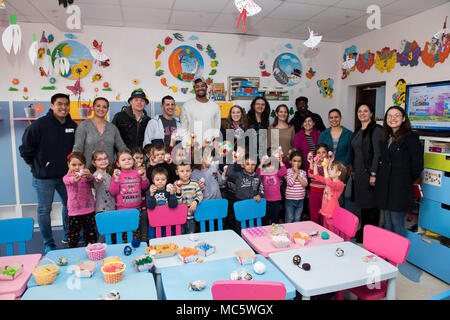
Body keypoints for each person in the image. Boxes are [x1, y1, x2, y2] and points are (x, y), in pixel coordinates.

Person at [19, 93, 77, 252]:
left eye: (66, 104)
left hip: (66, 177)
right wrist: (34, 166)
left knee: (70, 206)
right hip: (44, 178)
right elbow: (25, 149)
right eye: (59, 104)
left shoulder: (72, 126)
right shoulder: (40, 125)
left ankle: (68, 236)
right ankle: (49, 243)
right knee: (45, 210)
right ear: (52, 106)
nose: (63, 107)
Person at [375, 106, 423, 237]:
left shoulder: (411, 138)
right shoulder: (385, 138)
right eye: (389, 116)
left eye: (396, 115)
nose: (392, 118)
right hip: (385, 187)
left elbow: (417, 166)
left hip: (399, 188)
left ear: (403, 119)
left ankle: (398, 255)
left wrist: (405, 180)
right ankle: (388, 253)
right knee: (388, 221)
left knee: (397, 222)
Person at [350, 102, 382, 243]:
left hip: (369, 173)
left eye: (365, 111)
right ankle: (363, 230)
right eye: (359, 111)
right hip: (359, 173)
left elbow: (377, 153)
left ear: (371, 113)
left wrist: (374, 173)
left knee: (371, 206)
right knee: (363, 204)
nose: (362, 113)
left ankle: (372, 236)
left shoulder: (376, 130)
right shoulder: (358, 130)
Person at [73, 97, 128, 168]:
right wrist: (74, 166)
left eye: (104, 107)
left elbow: (121, 147)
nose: (101, 109)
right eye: (98, 106)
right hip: (88, 171)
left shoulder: (112, 128)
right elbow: (78, 149)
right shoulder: (83, 126)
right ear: (93, 108)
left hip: (109, 171)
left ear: (107, 109)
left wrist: (133, 157)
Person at [110, 150, 150, 242]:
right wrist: (115, 180)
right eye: (123, 160)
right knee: (124, 233)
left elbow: (145, 187)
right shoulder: (117, 175)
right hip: (122, 209)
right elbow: (113, 192)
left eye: (129, 159)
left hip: (137, 209)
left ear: (133, 161)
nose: (127, 161)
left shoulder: (138, 172)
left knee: (136, 233)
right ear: (118, 164)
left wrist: (144, 177)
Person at [319, 108, 353, 206]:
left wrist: (346, 167)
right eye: (331, 117)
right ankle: (329, 217)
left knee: (339, 196)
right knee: (329, 194)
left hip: (342, 170)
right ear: (328, 119)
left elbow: (350, 151)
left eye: (336, 117)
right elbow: (320, 151)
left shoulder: (348, 133)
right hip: (327, 169)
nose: (334, 119)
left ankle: (340, 218)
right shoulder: (324, 134)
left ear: (340, 118)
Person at [63, 153, 97, 248]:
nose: (77, 167)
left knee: (90, 235)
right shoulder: (66, 178)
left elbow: (92, 179)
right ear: (68, 165)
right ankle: (72, 251)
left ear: (84, 165)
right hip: (74, 212)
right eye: (74, 165)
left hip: (89, 210)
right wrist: (75, 178)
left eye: (80, 164)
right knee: (73, 236)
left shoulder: (86, 176)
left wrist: (89, 174)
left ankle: (93, 251)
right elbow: (71, 181)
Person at [224, 153, 264, 233]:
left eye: (253, 164)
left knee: (253, 226)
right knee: (240, 227)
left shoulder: (257, 177)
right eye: (248, 164)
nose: (250, 166)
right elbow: (228, 173)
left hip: (253, 205)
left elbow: (261, 189)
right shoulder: (238, 175)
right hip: (240, 204)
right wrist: (234, 161)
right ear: (242, 165)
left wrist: (259, 195)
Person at [179, 77, 221, 145]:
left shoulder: (215, 106)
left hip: (209, 145)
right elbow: (184, 128)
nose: (200, 88)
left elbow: (217, 129)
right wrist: (187, 144)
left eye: (202, 86)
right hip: (193, 146)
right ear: (194, 88)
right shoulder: (186, 106)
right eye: (197, 86)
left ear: (206, 87)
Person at [313, 159, 348, 231]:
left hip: (332, 213)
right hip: (325, 210)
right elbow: (316, 176)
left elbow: (329, 183)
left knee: (332, 232)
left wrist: (325, 169)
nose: (329, 170)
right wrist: (315, 165)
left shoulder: (340, 184)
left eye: (331, 169)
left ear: (338, 173)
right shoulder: (330, 181)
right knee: (325, 230)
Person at [256, 154, 286, 225]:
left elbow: (284, 172)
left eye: (271, 165)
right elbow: (257, 174)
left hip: (276, 200)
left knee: (275, 219)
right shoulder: (263, 173)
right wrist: (261, 163)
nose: (269, 167)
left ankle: (274, 231)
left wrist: (280, 161)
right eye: (267, 165)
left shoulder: (276, 172)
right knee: (266, 219)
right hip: (266, 200)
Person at [307, 143, 332, 225]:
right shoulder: (314, 164)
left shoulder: (329, 165)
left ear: (327, 153)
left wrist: (329, 163)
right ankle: (315, 229)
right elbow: (311, 175)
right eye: (319, 152)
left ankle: (324, 230)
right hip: (314, 193)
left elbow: (329, 178)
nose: (321, 155)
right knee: (314, 214)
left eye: (323, 152)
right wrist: (311, 163)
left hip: (325, 193)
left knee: (324, 214)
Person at [175, 162, 203, 234]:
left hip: (192, 217)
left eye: (187, 171)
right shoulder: (176, 185)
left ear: (191, 171)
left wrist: (195, 202)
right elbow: (178, 203)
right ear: (177, 172)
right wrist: (178, 191)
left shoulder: (195, 183)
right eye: (182, 171)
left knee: (191, 235)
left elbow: (200, 195)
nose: (185, 173)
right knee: (181, 236)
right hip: (179, 218)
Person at [285, 149, 308, 223]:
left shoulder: (303, 172)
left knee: (297, 218)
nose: (296, 163)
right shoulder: (288, 171)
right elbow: (290, 183)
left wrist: (297, 174)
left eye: (299, 161)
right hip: (290, 199)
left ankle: (295, 233)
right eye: (294, 161)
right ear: (290, 161)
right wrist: (296, 173)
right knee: (290, 217)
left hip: (300, 199)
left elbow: (305, 184)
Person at [89, 150, 115, 214]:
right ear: (94, 162)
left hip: (112, 207)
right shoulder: (94, 175)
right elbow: (97, 179)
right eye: (99, 159)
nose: (103, 161)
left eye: (105, 158)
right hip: (100, 209)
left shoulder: (109, 175)